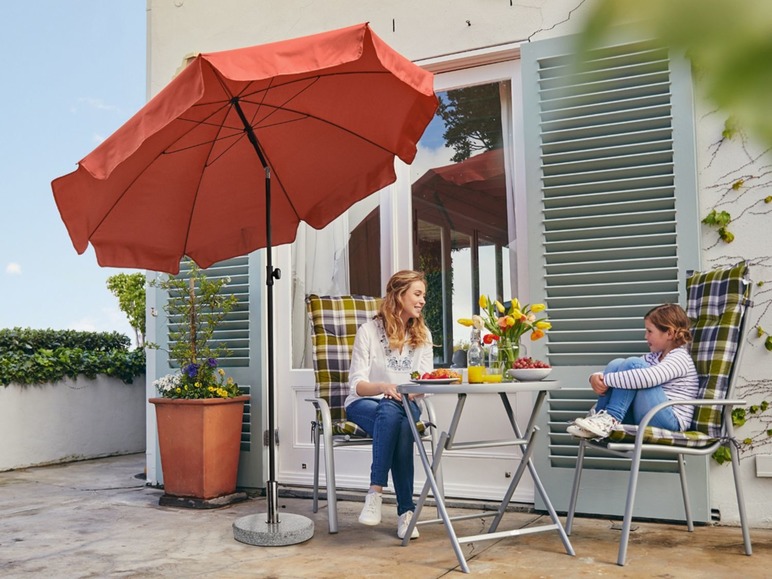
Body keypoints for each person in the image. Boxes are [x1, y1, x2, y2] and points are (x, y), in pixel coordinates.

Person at [344, 270, 434, 540]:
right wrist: (384, 388)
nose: (422, 301)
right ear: (399, 295)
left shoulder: (423, 334)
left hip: (405, 405)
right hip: (364, 404)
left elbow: (425, 384)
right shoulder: (369, 331)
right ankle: (406, 513)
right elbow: (356, 384)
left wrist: (402, 392)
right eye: (417, 294)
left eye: (423, 296)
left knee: (396, 415)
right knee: (393, 413)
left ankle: (375, 492)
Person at [567, 303, 698, 439]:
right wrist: (595, 377)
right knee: (617, 363)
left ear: (669, 333)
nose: (645, 336)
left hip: (669, 421)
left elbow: (648, 378)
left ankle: (611, 418)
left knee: (633, 364)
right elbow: (626, 373)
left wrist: (606, 380)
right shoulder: (653, 357)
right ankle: (600, 417)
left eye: (649, 331)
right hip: (646, 415)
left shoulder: (680, 357)